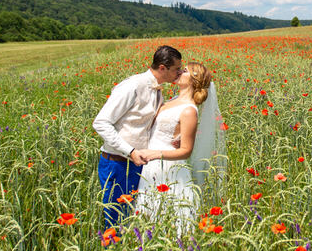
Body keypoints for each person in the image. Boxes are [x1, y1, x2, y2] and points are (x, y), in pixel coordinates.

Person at [92, 45, 182, 226]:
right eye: (176, 69)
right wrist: (130, 150)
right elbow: (100, 122)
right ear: (162, 68)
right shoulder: (132, 86)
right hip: (117, 164)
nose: (179, 73)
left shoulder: (158, 90)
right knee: (116, 222)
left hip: (139, 165)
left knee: (133, 221)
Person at [133, 61, 224, 231]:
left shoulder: (189, 110)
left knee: (170, 219)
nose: (179, 72)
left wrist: (154, 154)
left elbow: (185, 151)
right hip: (150, 164)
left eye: (185, 71)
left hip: (167, 167)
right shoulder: (172, 99)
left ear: (193, 79)